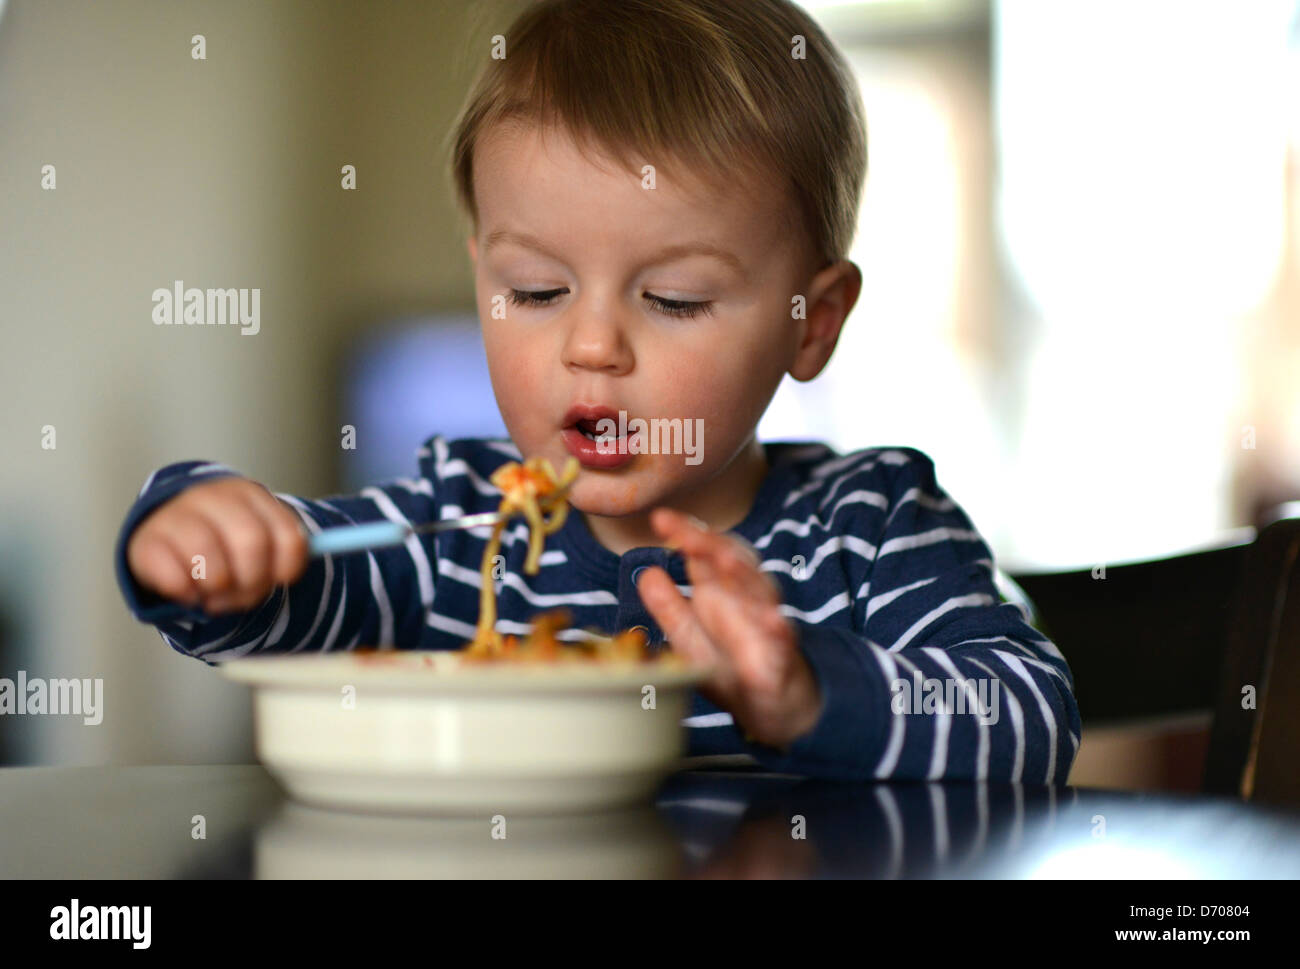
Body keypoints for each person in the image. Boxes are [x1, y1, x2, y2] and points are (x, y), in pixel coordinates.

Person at [115, 0, 1079, 782]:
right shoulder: (460, 532)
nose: (591, 346)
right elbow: (299, 587)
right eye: (534, 290)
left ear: (810, 321)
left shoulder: (865, 532)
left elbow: (1028, 711)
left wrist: (812, 692)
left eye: (674, 297)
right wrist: (209, 533)